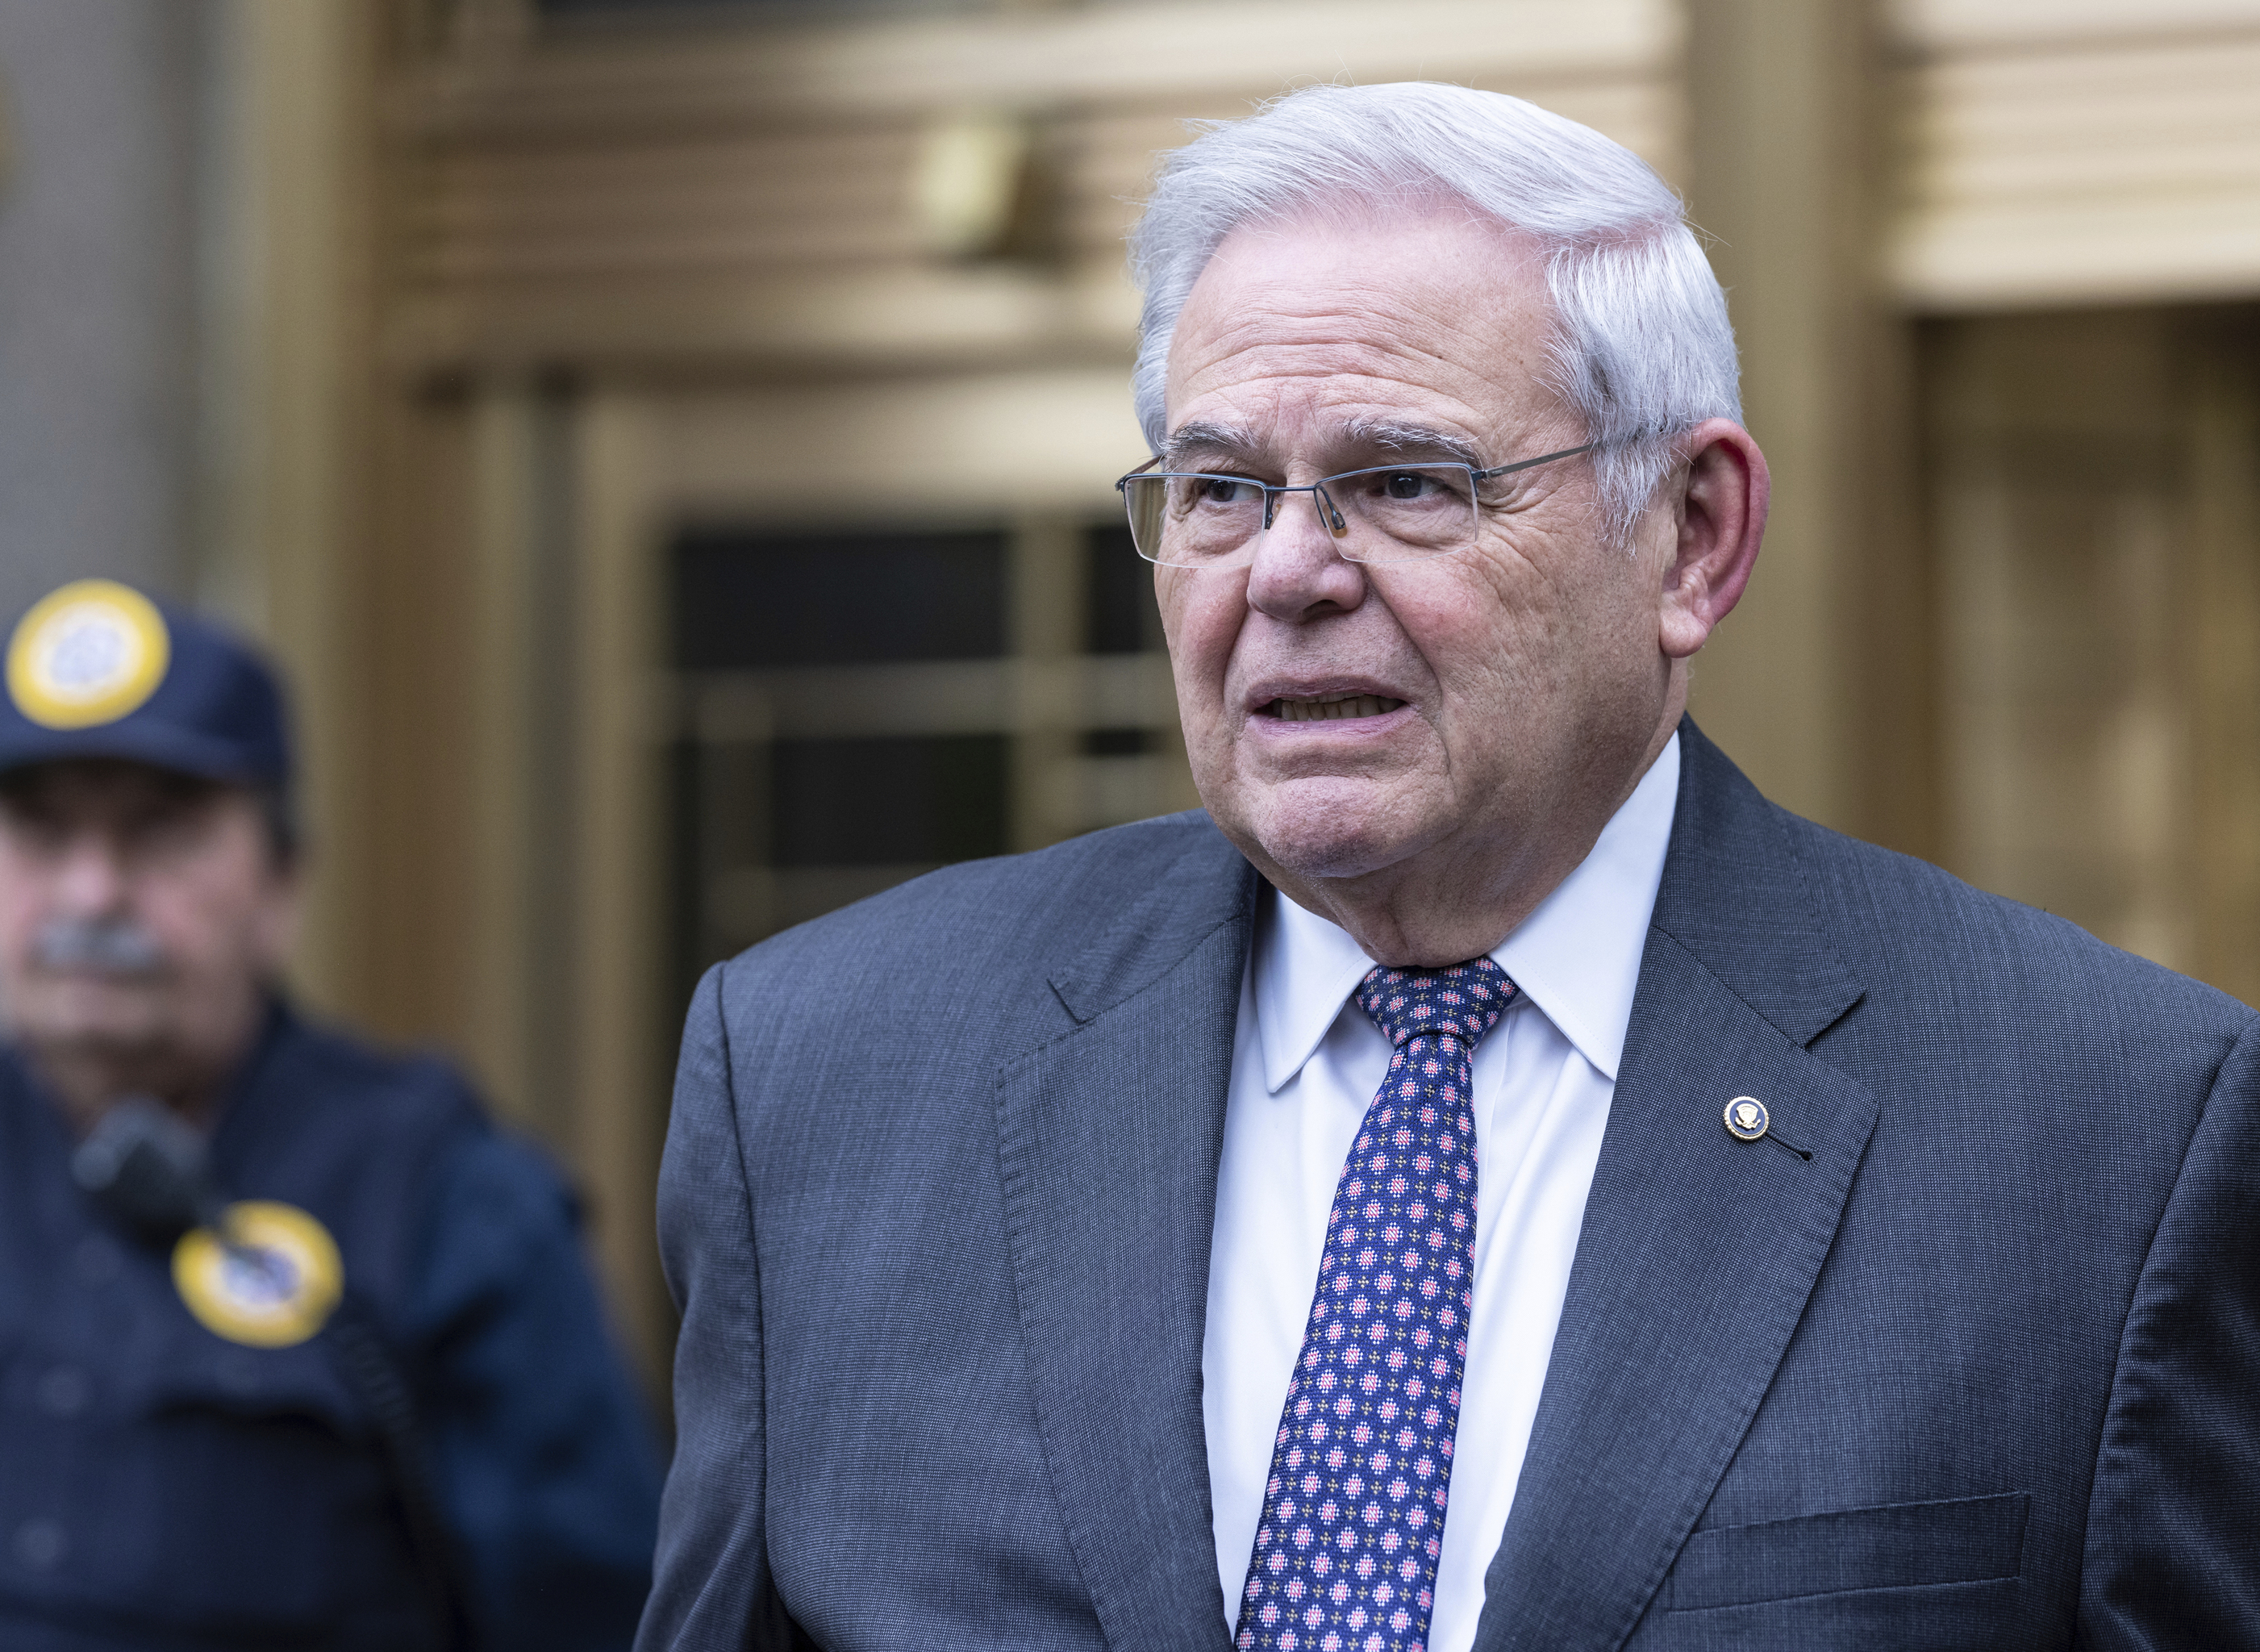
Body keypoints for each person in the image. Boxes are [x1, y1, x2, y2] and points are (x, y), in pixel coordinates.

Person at [640, 81, 2260, 1651]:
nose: (1283, 572)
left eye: (1405, 482)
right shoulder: (819, 1081)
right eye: (1220, 489)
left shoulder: (2110, 1135)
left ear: (1692, 533)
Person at [0, 580, 664, 1650]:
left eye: (158, 835)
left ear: (282, 881)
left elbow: (597, 1617)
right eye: (39, 833)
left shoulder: (445, 1206)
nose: (89, 896)